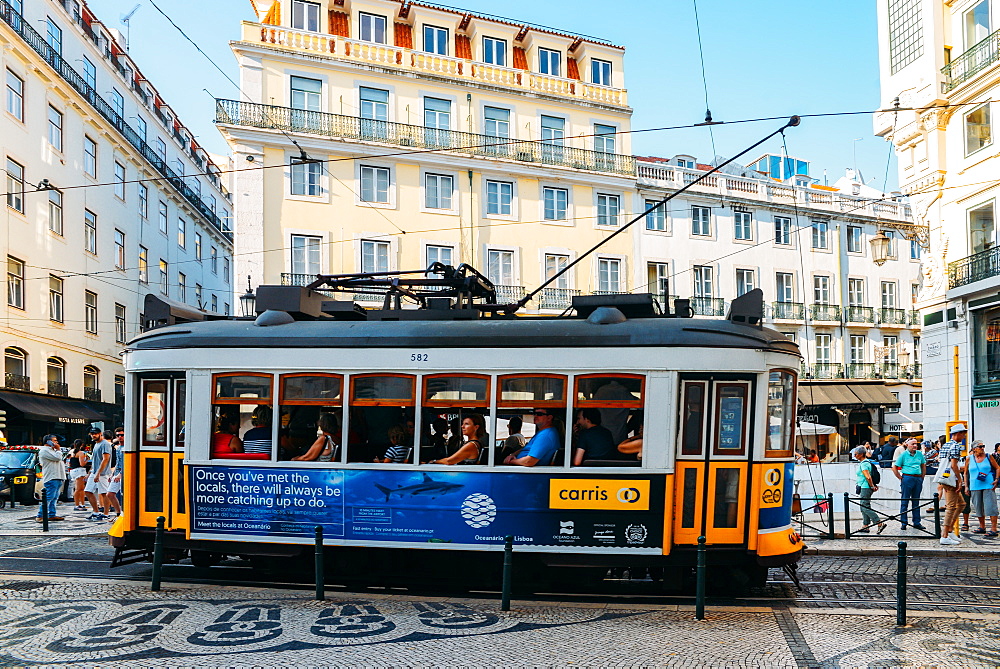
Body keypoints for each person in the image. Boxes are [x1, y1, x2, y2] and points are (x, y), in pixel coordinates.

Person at [937, 424, 967, 545]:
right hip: (951, 479)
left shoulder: (946, 444)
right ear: (958, 433)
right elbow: (954, 465)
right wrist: (960, 480)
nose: (964, 435)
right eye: (963, 433)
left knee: (961, 504)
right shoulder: (955, 446)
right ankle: (944, 535)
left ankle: (949, 530)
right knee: (951, 507)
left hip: (944, 477)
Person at [963, 441, 999, 537]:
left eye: (983, 446)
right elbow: (966, 473)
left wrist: (996, 480)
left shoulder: (988, 456)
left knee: (991, 506)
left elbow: (997, 468)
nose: (982, 448)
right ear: (974, 449)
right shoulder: (969, 459)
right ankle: (982, 526)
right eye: (980, 447)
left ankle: (994, 528)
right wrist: (966, 486)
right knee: (978, 506)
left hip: (988, 485)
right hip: (975, 486)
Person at [893, 437, 927, 530]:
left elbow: (923, 465)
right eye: (913, 444)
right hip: (907, 477)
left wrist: (922, 477)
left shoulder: (919, 454)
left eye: (916, 444)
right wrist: (900, 478)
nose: (915, 446)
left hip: (917, 478)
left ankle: (917, 522)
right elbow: (895, 467)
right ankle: (904, 522)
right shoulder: (903, 454)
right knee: (905, 501)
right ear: (907, 445)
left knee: (916, 501)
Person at [853, 446, 886, 534]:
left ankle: (879, 523)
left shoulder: (864, 464)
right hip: (865, 486)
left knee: (864, 506)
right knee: (864, 506)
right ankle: (865, 526)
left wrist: (872, 486)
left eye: (856, 454)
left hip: (866, 487)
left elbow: (868, 476)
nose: (854, 456)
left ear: (861, 454)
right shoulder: (865, 462)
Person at [84, 427, 114, 521]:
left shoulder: (105, 444)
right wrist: (90, 472)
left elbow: (106, 459)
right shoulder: (96, 444)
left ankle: (106, 513)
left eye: (95, 433)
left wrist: (98, 473)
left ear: (100, 433)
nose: (94, 435)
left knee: (104, 493)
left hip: (103, 473)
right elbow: (95, 460)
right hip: (95, 471)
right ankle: (96, 511)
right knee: (88, 491)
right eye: (92, 434)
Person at [35, 435, 66, 522]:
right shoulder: (45, 451)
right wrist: (58, 449)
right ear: (48, 441)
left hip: (58, 476)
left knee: (55, 497)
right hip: (52, 477)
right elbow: (58, 457)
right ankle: (40, 515)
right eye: (54, 440)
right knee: (49, 497)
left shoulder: (53, 450)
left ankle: (52, 514)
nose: (56, 442)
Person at [67, 440, 90, 511]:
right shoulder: (80, 453)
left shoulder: (71, 452)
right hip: (79, 470)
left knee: (81, 488)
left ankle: (82, 504)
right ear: (82, 445)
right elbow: (82, 464)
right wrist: (87, 460)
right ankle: (77, 505)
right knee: (79, 488)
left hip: (73, 470)